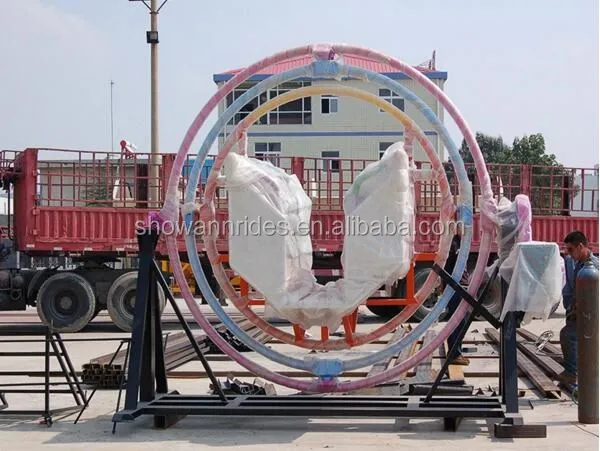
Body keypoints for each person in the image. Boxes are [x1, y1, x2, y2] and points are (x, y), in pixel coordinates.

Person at [559, 231, 598, 385]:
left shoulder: (593, 267)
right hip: (582, 314)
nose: (569, 254)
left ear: (580, 246)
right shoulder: (580, 264)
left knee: (568, 335)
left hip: (591, 316)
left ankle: (572, 373)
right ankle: (576, 371)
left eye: (570, 250)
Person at [442, 230, 471, 366]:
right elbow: (447, 265)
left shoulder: (459, 241)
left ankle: (456, 352)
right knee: (458, 322)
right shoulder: (454, 241)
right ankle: (454, 354)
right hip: (456, 287)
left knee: (461, 321)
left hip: (460, 286)